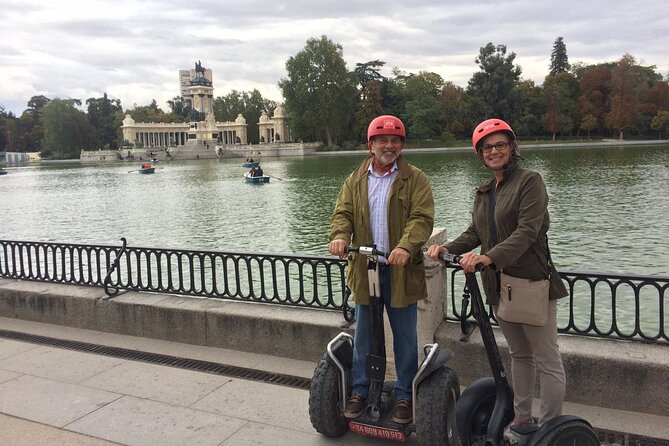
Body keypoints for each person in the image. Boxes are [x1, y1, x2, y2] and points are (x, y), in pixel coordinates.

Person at [426, 118, 568, 440]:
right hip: (500, 287)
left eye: (500, 145)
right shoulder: (486, 190)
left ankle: (549, 429)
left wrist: (488, 257)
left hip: (531, 284)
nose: (494, 151)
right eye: (487, 147)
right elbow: (476, 231)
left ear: (512, 147)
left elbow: (527, 232)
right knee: (519, 354)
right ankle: (522, 419)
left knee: (547, 359)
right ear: (480, 154)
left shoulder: (530, 182)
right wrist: (446, 249)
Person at [329, 115, 434, 424]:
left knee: (404, 337)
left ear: (401, 145)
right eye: (382, 141)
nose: (389, 146)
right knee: (363, 335)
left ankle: (404, 394)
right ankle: (360, 390)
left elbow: (421, 217)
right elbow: (343, 212)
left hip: (401, 270)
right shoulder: (355, 179)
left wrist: (405, 245)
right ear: (371, 145)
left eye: (395, 141)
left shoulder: (416, 179)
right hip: (366, 269)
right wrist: (338, 236)